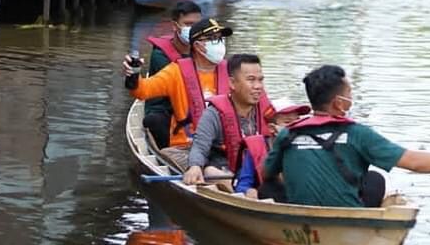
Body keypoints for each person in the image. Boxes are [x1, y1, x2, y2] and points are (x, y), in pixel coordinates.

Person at [266, 65, 430, 208]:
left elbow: (266, 173)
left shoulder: (287, 133)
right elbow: (414, 162)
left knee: (269, 187)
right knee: (376, 180)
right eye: (349, 93)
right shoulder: (357, 134)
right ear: (339, 103)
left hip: (300, 214)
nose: (351, 97)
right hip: (346, 217)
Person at [124, 18, 233, 168]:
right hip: (186, 147)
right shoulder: (176, 72)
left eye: (220, 38)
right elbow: (142, 91)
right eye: (213, 39)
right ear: (198, 46)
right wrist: (133, 74)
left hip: (225, 147)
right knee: (208, 170)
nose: (219, 43)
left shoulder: (232, 71)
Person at [182, 54, 274, 189]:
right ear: (232, 83)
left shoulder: (268, 111)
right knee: (210, 172)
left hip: (257, 169)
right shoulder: (213, 114)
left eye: (260, 80)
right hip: (226, 170)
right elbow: (200, 147)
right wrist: (195, 166)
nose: (258, 86)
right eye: (251, 80)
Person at [143, 0, 203, 148]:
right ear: (175, 26)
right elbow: (178, 86)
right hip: (166, 108)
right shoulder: (160, 55)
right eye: (188, 24)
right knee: (155, 121)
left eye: (197, 25)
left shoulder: (202, 50)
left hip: (195, 104)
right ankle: (168, 152)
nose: (194, 29)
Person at [235, 97, 311, 200]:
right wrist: (248, 190)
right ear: (272, 128)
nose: (295, 126)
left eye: (297, 121)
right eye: (287, 122)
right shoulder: (257, 147)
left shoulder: (308, 144)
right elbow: (243, 184)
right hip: (269, 199)